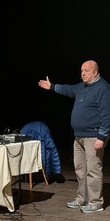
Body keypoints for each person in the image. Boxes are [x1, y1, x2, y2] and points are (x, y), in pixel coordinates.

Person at [38, 60, 110, 213]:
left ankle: (96, 202)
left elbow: (107, 114)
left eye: (87, 70)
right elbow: (67, 89)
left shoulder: (103, 88)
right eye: (82, 70)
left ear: (95, 72)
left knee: (93, 170)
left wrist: (102, 136)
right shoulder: (82, 87)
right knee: (80, 169)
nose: (83, 73)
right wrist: (51, 86)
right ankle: (82, 198)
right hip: (79, 137)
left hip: (94, 136)